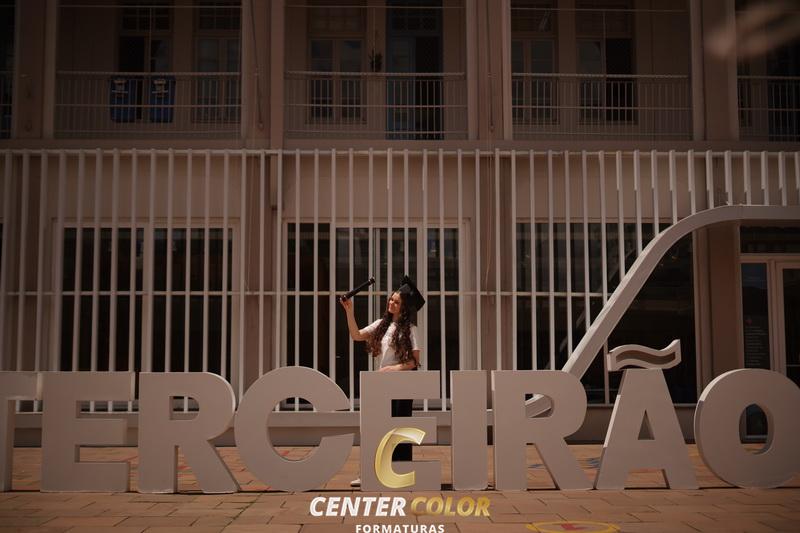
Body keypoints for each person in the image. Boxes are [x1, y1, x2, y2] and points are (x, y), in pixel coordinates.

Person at [339, 275, 425, 487]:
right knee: (376, 428)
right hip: (381, 385)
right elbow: (357, 335)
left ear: (404, 307)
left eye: (397, 301)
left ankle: (400, 473)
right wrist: (349, 311)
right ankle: (370, 473)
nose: (391, 303)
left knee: (399, 429)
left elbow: (414, 362)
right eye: (391, 299)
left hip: (402, 385)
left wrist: (393, 369)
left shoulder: (411, 329)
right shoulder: (381, 324)